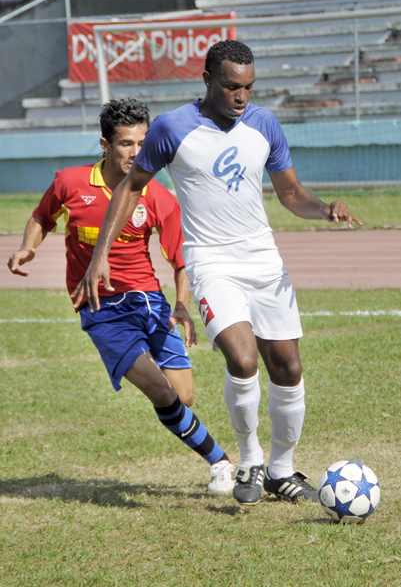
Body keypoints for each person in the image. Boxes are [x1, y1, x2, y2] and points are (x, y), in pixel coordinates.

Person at [73, 42, 362, 507]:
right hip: (211, 260)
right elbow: (131, 187)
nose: (241, 96)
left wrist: (325, 208)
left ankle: (282, 471)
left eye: (248, 87)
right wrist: (100, 252)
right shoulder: (172, 127)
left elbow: (290, 193)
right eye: (231, 86)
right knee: (242, 359)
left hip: (262, 259)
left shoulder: (264, 124)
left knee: (288, 367)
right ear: (207, 78)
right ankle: (250, 460)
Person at [8, 98, 235, 495]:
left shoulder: (157, 195)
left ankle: (195, 434)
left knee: (183, 396)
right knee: (162, 392)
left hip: (149, 301)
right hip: (101, 309)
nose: (136, 152)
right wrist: (29, 245)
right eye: (126, 144)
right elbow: (42, 216)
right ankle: (221, 462)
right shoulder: (70, 182)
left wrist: (181, 305)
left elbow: (181, 260)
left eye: (143, 143)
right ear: (105, 144)